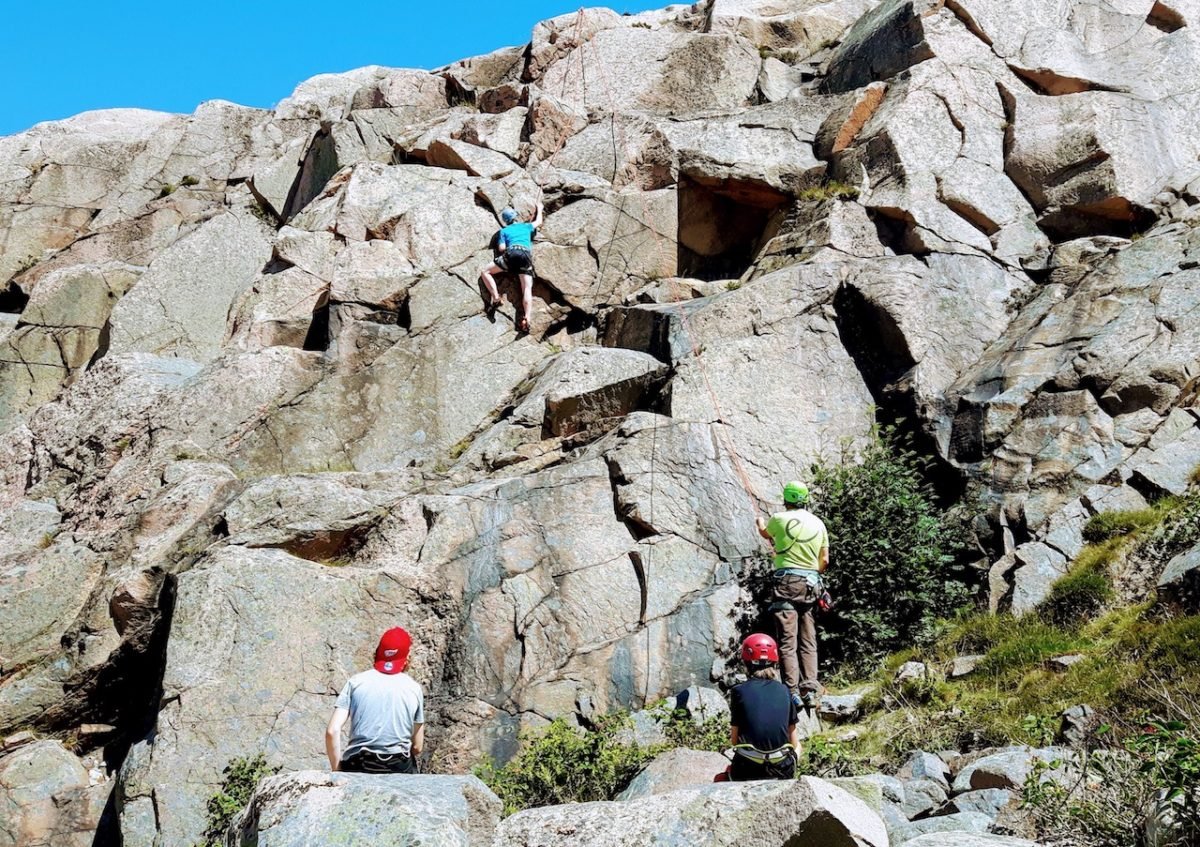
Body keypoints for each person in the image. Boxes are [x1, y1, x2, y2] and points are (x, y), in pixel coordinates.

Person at [755, 480, 829, 709]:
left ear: (785, 499)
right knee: (808, 639)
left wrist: (759, 523)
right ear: (805, 500)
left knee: (788, 641)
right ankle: (810, 689)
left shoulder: (779, 519)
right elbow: (824, 560)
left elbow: (766, 533)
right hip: (810, 585)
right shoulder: (819, 524)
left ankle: (792, 691)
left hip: (786, 583)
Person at [325, 626, 425, 774]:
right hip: (398, 766)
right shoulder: (414, 688)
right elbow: (417, 747)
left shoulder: (356, 682)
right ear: (407, 658)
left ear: (377, 653)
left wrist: (337, 770)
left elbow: (332, 731)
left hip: (359, 764)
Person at [726, 633, 799, 781]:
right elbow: (794, 742)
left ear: (746, 662)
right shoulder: (785, 690)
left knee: (722, 776)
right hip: (781, 769)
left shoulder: (738, 691)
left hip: (747, 767)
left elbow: (734, 741)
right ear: (775, 661)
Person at [480, 201, 544, 333]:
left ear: (505, 221)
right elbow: (538, 222)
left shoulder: (504, 231)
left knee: (485, 272)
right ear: (516, 217)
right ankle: (527, 317)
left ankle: (496, 296)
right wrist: (540, 208)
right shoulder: (526, 226)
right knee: (526, 288)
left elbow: (502, 248)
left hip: (511, 254)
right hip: (525, 255)